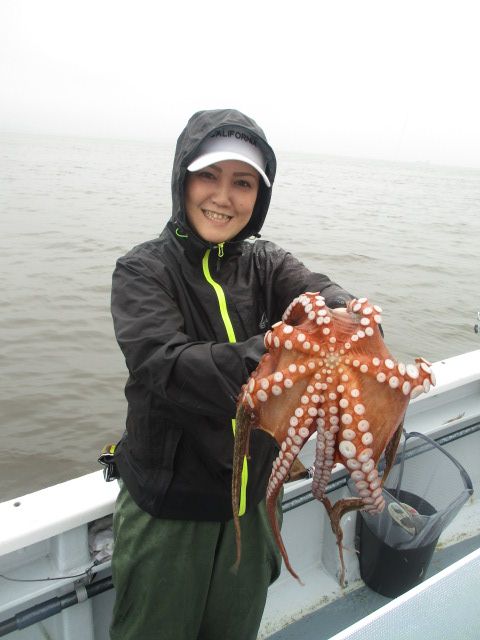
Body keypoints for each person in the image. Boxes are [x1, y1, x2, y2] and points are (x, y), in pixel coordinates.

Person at [108, 108, 354, 640]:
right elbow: (168, 365)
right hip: (170, 513)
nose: (223, 197)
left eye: (243, 183)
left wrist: (348, 316)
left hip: (255, 508)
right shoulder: (143, 271)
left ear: (258, 197)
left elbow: (319, 291)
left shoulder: (268, 264)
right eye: (209, 176)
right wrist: (278, 349)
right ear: (183, 180)